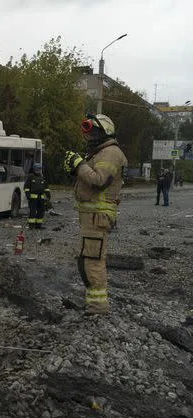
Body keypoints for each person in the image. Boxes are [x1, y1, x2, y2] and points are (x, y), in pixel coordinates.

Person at [64, 113, 127, 315]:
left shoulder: (110, 153)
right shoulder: (100, 153)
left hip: (97, 217)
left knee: (92, 262)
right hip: (91, 217)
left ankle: (98, 308)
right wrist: (77, 168)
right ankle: (94, 305)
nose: (89, 138)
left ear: (104, 131)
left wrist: (78, 165)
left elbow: (99, 180)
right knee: (85, 261)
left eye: (92, 133)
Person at [23, 163, 50, 229]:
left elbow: (46, 187)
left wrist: (48, 195)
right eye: (37, 169)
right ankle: (31, 225)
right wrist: (28, 195)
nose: (38, 170)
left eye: (39, 169)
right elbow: (26, 187)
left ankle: (39, 225)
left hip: (41, 198)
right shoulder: (30, 177)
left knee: (41, 211)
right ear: (34, 169)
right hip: (32, 198)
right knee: (33, 212)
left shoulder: (42, 177)